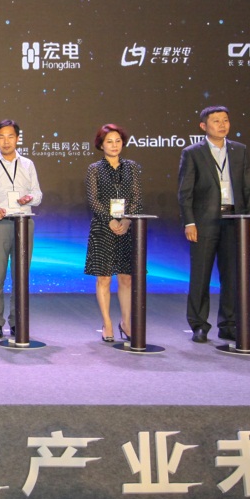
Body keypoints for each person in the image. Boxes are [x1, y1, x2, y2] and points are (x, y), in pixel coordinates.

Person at [177, 106, 250, 343]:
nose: (222, 125)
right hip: (204, 222)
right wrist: (190, 222)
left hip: (234, 221)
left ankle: (228, 324)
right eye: (216, 121)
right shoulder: (192, 153)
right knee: (200, 276)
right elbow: (185, 192)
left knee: (231, 276)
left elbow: (248, 188)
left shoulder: (240, 150)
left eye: (225, 120)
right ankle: (199, 325)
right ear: (203, 126)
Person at [0, 119, 43, 339]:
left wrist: (30, 198)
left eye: (10, 136)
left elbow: (38, 194)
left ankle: (17, 321)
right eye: (1, 137)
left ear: (17, 138)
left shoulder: (28, 164)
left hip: (24, 223)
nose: (6, 141)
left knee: (20, 276)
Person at [85, 123, 143, 343]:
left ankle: (126, 322)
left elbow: (137, 199)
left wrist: (126, 221)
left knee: (126, 278)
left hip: (127, 229)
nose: (114, 145)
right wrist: (110, 220)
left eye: (118, 141)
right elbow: (93, 200)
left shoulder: (132, 167)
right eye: (109, 141)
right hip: (103, 228)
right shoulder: (94, 169)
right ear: (101, 145)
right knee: (104, 278)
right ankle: (107, 323)